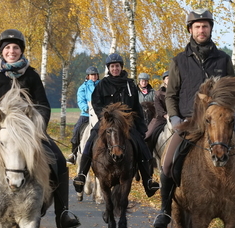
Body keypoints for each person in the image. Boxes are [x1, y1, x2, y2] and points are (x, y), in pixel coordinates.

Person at [152, 8, 235, 228]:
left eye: (205, 26)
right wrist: (176, 118)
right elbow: (171, 95)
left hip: (221, 123)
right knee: (168, 164)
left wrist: (233, 115)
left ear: (210, 29)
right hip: (190, 122)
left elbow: (234, 92)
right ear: (190, 30)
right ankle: (165, 210)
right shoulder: (179, 61)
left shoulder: (223, 59)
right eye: (197, 26)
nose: (201, 30)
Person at [0, 29, 80, 228]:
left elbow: (43, 106)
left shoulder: (31, 75)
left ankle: (63, 212)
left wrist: (37, 128)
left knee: (58, 161)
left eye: (16, 48)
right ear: (1, 51)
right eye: (8, 48)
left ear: (21, 51)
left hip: (27, 132)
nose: (11, 51)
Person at [72, 53, 160, 198]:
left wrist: (141, 126)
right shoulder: (102, 85)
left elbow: (136, 106)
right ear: (108, 68)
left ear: (121, 67)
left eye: (117, 66)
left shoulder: (130, 84)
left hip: (126, 124)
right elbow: (96, 102)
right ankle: (81, 175)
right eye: (112, 66)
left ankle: (148, 181)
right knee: (90, 141)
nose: (115, 69)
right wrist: (105, 117)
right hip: (107, 123)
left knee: (142, 146)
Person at [67, 66, 100, 164]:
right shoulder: (83, 88)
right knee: (77, 130)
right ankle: (74, 154)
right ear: (88, 76)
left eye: (95, 74)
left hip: (99, 113)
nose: (94, 76)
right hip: (86, 114)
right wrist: (86, 109)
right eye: (92, 75)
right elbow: (81, 101)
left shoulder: (102, 85)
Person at [145, 70, 169, 151]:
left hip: (175, 118)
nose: (170, 80)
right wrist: (165, 115)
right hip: (160, 118)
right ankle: (147, 157)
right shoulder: (158, 93)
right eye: (168, 78)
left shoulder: (178, 92)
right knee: (148, 136)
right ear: (164, 80)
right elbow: (158, 108)